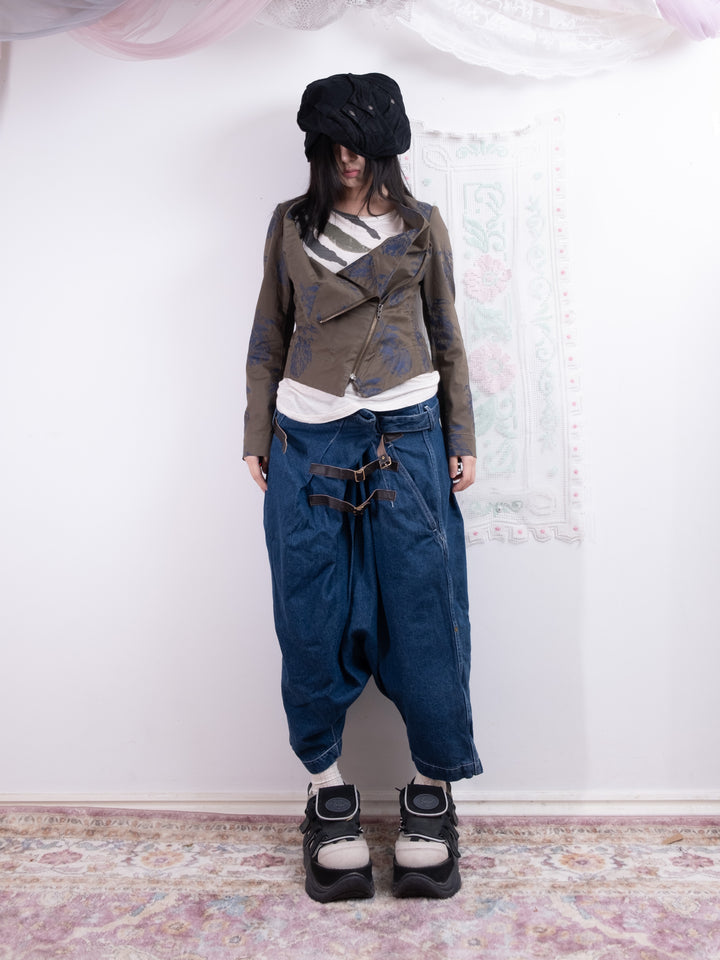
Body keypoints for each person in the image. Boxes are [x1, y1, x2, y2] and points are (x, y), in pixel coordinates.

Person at [243, 72, 482, 903]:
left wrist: (460, 435)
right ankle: (326, 790)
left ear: (387, 147)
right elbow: (268, 330)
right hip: (306, 440)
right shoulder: (289, 224)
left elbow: (447, 332)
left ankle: (433, 789)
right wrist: (255, 433)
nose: (348, 159)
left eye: (362, 145)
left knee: (424, 612)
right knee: (308, 616)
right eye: (334, 145)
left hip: (406, 437)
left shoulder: (421, 226)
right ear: (318, 147)